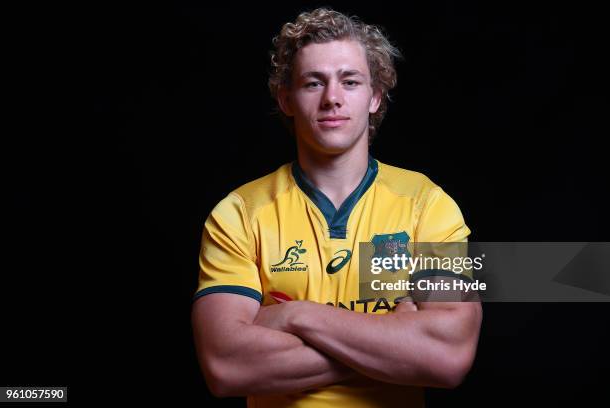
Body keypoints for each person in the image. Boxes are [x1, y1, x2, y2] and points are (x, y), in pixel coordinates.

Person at [191, 8, 482, 408]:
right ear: (286, 99)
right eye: (313, 83)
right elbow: (225, 367)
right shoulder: (239, 214)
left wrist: (297, 317)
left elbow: (449, 358)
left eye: (350, 81)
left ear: (375, 96)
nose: (332, 98)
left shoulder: (428, 207)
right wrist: (395, 340)